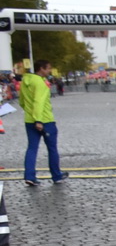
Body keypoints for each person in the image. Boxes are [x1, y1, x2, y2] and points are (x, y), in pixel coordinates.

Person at [20, 59, 67, 187]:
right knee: (52, 149)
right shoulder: (40, 83)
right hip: (45, 120)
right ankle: (56, 175)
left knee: (32, 148)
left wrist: (30, 114)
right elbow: (39, 102)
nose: (49, 71)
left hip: (29, 120)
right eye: (48, 68)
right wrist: (38, 119)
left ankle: (29, 176)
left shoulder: (25, 81)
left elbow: (22, 101)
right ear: (41, 68)